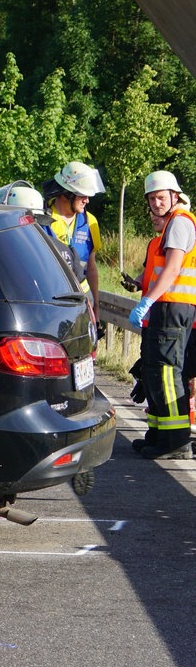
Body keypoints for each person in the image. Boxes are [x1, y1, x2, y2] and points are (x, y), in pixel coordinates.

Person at [127, 170, 196, 460]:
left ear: (174, 196)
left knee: (167, 372)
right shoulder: (170, 227)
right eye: (152, 199)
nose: (156, 203)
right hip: (165, 306)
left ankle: (175, 441)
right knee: (156, 371)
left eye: (160, 197)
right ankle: (158, 434)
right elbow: (159, 269)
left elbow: (173, 269)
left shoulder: (180, 223)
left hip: (173, 306)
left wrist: (148, 300)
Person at [43, 162, 105, 304]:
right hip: (51, 298)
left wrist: (95, 304)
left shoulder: (89, 222)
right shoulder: (41, 219)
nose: (87, 201)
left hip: (82, 298)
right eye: (82, 195)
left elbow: (91, 267)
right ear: (66, 193)